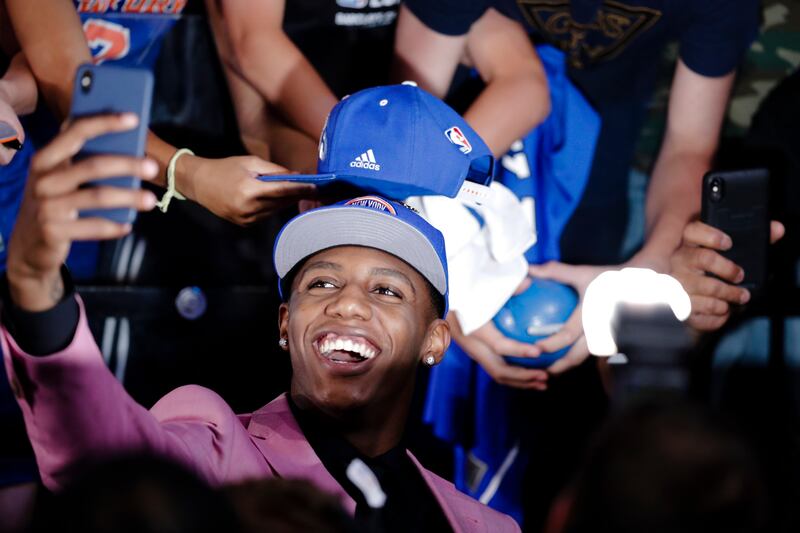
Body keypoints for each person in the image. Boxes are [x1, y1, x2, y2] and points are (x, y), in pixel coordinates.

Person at [0, 112, 520, 532]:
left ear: (435, 340)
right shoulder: (218, 446)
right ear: (284, 323)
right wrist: (36, 292)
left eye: (386, 290)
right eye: (322, 283)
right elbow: (107, 460)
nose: (348, 305)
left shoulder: (486, 525)